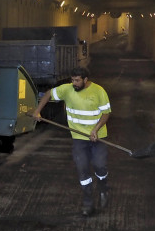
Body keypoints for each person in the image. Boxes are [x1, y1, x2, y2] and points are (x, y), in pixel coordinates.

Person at [31, 66, 111, 216]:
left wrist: (95, 130)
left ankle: (103, 187)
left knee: (100, 166)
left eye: (77, 80)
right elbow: (49, 93)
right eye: (72, 80)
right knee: (82, 168)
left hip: (98, 136)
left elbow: (106, 114)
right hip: (79, 137)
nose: (74, 83)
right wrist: (37, 110)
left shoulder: (99, 91)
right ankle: (88, 202)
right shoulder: (67, 89)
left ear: (85, 80)